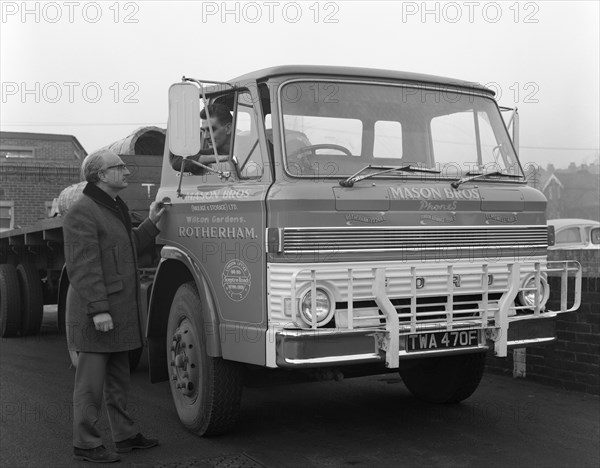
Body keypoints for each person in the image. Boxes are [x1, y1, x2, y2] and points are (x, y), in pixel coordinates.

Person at [63, 149, 167, 463]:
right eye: (119, 167)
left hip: (120, 312)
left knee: (119, 381)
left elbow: (128, 249)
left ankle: (124, 435)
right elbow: (84, 266)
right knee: (90, 386)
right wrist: (99, 310)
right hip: (101, 315)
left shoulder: (114, 207)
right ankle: (85, 442)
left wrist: (151, 222)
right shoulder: (82, 212)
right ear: (100, 175)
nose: (127, 172)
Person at [169, 103, 233, 175]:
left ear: (228, 128)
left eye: (211, 130)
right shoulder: (210, 153)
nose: (205, 136)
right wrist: (219, 158)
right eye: (203, 131)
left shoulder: (246, 151)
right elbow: (177, 161)